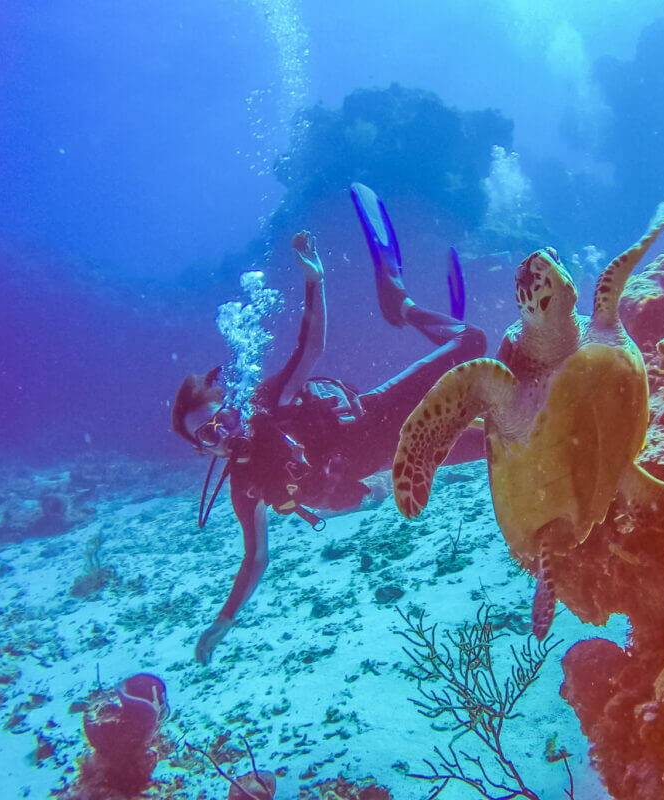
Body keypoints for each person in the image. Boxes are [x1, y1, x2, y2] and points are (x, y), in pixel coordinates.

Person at [173, 183, 488, 664]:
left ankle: (398, 303)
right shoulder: (245, 487)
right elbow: (256, 558)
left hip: (377, 410)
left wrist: (314, 279)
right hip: (397, 453)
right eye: (209, 434)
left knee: (471, 342)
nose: (224, 431)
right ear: (203, 450)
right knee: (496, 443)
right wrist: (224, 620)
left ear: (233, 404)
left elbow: (311, 348)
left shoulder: (268, 403)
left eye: (222, 417)